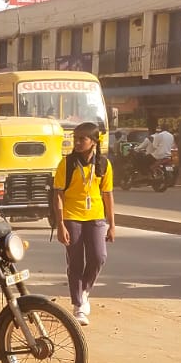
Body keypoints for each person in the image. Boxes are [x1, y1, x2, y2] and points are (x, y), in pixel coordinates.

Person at [53, 122, 116, 326]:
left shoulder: (104, 165)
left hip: (96, 216)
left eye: (83, 139)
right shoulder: (67, 164)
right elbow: (58, 195)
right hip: (72, 216)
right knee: (76, 261)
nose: (78, 142)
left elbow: (107, 195)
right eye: (75, 138)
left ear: (94, 142)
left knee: (99, 256)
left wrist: (112, 224)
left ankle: (85, 290)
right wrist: (60, 224)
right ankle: (78, 304)